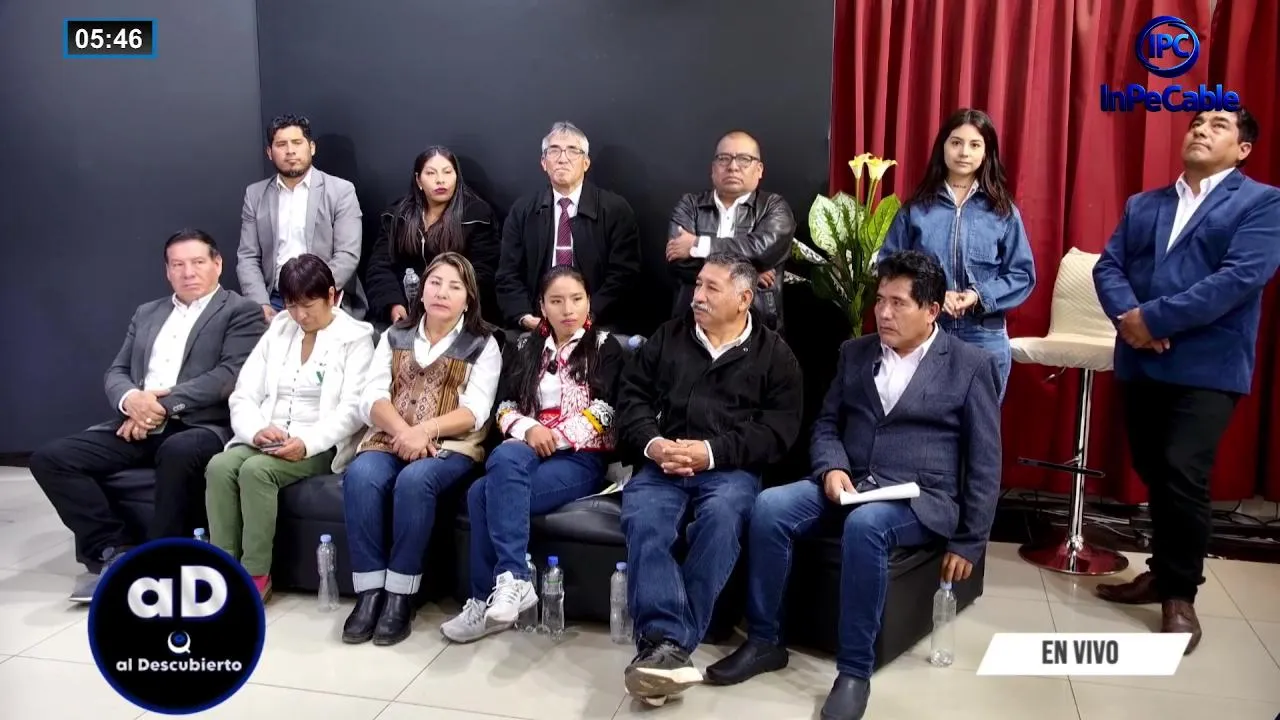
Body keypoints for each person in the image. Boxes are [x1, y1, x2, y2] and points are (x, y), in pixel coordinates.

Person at [703, 250, 1001, 720]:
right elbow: (826, 424)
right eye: (880, 300)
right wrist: (832, 468)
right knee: (770, 506)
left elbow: (985, 459)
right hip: (853, 481)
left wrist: (970, 541)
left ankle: (854, 671)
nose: (883, 313)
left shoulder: (969, 365)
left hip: (920, 498)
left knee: (867, 525)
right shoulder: (856, 353)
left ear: (931, 310)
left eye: (898, 303)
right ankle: (764, 641)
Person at [1092, 108, 1280, 654]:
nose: (1201, 129)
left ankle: (1179, 594)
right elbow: (1109, 267)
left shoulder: (1262, 202)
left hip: (1208, 364)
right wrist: (1131, 320)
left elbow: (1239, 278)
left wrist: (1154, 320)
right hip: (1141, 358)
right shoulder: (1144, 204)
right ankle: (1160, 572)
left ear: (1243, 149)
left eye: (1219, 125)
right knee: (1153, 468)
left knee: (1182, 471)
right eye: (1198, 122)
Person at [29, 230, 265, 602]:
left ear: (218, 264)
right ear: (167, 271)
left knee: (178, 451)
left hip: (202, 424)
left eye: (198, 262)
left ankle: (161, 562)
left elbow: (229, 375)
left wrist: (159, 408)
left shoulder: (241, 311)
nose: (188, 272)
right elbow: (117, 371)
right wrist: (131, 401)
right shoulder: (148, 312)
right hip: (137, 422)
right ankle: (113, 550)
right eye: (178, 265)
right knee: (51, 459)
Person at [615, 251, 804, 705]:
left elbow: (777, 432)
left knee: (722, 520)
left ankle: (664, 648)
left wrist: (711, 453)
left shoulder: (775, 355)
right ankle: (668, 652)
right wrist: (654, 444)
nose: (697, 296)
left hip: (728, 470)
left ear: (744, 299)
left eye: (711, 288)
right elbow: (631, 399)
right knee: (644, 519)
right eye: (698, 285)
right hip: (664, 462)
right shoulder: (669, 336)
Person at [442, 265, 625, 643]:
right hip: (528, 448)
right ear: (542, 306)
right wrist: (529, 429)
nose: (568, 309)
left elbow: (607, 409)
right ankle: (509, 585)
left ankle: (490, 594)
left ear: (588, 301)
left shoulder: (605, 346)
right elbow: (505, 405)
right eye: (556, 301)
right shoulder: (525, 347)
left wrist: (554, 437)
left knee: (482, 493)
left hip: (579, 457)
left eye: (576, 299)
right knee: (503, 460)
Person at [341, 252, 502, 647]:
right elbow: (371, 397)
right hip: (390, 436)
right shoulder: (395, 335)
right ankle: (369, 593)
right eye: (435, 283)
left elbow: (476, 411)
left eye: (454, 287)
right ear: (421, 290)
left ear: (468, 297)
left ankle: (401, 595)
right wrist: (404, 431)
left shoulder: (483, 343)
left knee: (415, 481)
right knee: (361, 475)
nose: (442, 293)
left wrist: (425, 431)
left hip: (451, 445)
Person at [205, 254, 375, 601]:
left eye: (308, 306)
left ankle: (255, 574)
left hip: (319, 443)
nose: (300, 315)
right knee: (219, 466)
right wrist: (256, 430)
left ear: (331, 295)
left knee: (256, 471)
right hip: (268, 435)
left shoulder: (355, 338)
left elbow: (352, 412)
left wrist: (306, 443)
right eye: (292, 305)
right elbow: (244, 394)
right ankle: (223, 568)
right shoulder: (279, 330)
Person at [881, 108, 1035, 398]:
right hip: (926, 332)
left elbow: (1021, 275)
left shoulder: (1003, 212)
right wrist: (935, 295)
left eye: (975, 145)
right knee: (922, 418)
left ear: (986, 153)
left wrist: (978, 295)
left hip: (984, 335)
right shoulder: (916, 210)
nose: (964, 152)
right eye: (956, 142)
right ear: (943, 147)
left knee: (980, 421)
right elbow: (889, 265)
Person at [496, 121, 641, 334]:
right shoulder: (523, 210)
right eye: (554, 150)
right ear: (544, 162)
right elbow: (507, 274)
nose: (563, 158)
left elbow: (624, 275)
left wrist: (588, 315)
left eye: (573, 150)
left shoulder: (615, 210)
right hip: (536, 323)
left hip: (597, 323)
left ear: (586, 162)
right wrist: (526, 318)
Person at [238, 113, 366, 321]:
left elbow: (347, 254)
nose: (290, 151)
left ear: (311, 147)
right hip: (274, 298)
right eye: (281, 144)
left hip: (324, 295)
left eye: (297, 142)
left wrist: (312, 296)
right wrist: (260, 303)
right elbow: (248, 257)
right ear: (269, 152)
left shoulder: (341, 191)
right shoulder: (255, 195)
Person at [666, 131, 796, 331]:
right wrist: (749, 274)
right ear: (713, 168)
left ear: (759, 169)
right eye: (724, 158)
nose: (733, 166)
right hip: (691, 323)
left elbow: (762, 250)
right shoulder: (690, 205)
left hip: (757, 327)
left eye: (744, 159)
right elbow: (678, 262)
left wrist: (697, 244)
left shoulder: (774, 207)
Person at [363, 146, 501, 327]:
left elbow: (483, 273)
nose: (440, 180)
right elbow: (379, 266)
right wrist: (393, 304)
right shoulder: (397, 215)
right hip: (405, 311)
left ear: (457, 177)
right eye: (431, 173)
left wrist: (445, 306)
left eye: (447, 172)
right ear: (418, 180)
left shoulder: (477, 215)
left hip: (456, 316)